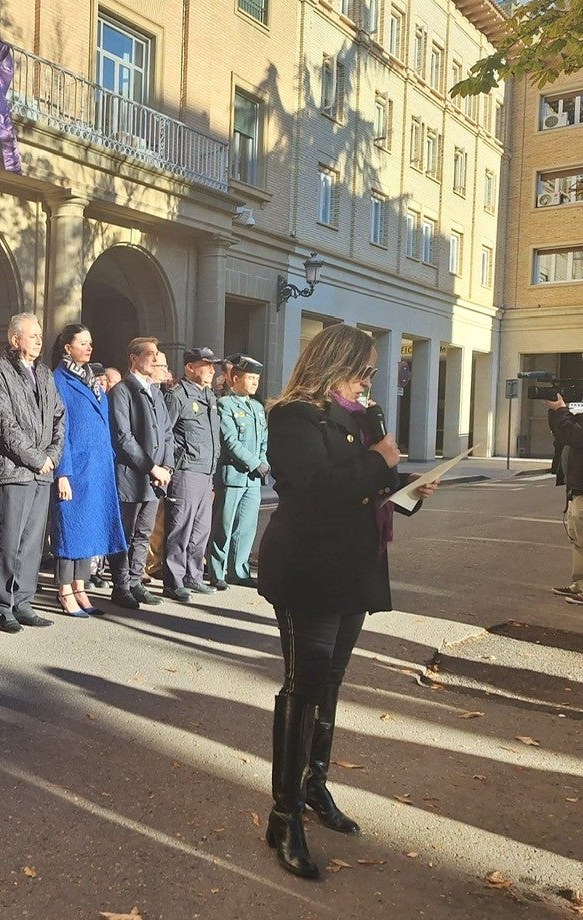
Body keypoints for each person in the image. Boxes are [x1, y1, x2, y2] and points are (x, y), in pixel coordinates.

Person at [258, 323, 437, 880]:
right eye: (365, 370)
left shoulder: (363, 419)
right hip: (309, 569)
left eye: (374, 373)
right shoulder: (293, 417)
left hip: (353, 567)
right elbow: (316, 490)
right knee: (303, 686)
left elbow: (365, 489)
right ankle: (284, 814)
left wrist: (406, 487)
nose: (369, 381)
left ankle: (314, 786)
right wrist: (380, 462)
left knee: (330, 684)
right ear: (336, 363)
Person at [0, 313, 63, 633]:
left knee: (32, 542)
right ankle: (3, 605)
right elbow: (4, 422)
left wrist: (51, 457)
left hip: (43, 471)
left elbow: (59, 417)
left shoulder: (44, 373)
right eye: (33, 335)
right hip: (14, 470)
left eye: (40, 335)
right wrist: (35, 458)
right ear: (15, 339)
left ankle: (24, 601)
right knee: (9, 540)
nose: (39, 341)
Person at [48, 324, 127, 617]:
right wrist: (63, 473)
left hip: (97, 467)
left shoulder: (91, 377)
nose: (89, 347)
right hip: (75, 467)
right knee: (70, 529)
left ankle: (80, 587)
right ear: (67, 347)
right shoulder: (59, 380)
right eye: (83, 343)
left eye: (90, 342)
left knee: (89, 528)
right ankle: (65, 590)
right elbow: (60, 431)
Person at [106, 337, 174, 610]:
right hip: (131, 477)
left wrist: (166, 467)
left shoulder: (155, 392)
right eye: (150, 354)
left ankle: (136, 582)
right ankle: (121, 586)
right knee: (126, 533)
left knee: (144, 533)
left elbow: (167, 434)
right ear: (134, 358)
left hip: (154, 478)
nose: (156, 359)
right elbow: (124, 438)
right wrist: (151, 467)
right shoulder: (122, 391)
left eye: (157, 353)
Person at [163, 346, 222, 602]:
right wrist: (172, 464)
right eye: (206, 365)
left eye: (213, 366)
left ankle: (193, 575)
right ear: (190, 367)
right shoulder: (178, 396)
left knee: (201, 530)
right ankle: (174, 581)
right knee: (181, 529)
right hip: (186, 470)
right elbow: (165, 433)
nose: (211, 370)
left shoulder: (209, 396)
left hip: (206, 471)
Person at [207, 354, 269, 590]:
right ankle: (217, 571)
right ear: (235, 378)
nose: (255, 383)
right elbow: (230, 441)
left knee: (246, 528)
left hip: (252, 479)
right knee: (224, 526)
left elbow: (263, 439)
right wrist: (255, 463)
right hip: (232, 476)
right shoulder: (225, 404)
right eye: (251, 378)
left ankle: (239, 571)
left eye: (257, 379)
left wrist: (263, 462)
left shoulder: (257, 407)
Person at [546, 392, 583, 603]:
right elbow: (561, 434)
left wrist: (561, 410)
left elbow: (573, 435)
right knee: (577, 540)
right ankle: (580, 585)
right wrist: (556, 411)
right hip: (577, 487)